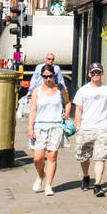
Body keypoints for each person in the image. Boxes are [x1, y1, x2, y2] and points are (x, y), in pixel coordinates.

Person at [27, 65, 71, 196]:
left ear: (54, 76)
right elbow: (33, 110)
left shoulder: (60, 89)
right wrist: (30, 128)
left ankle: (48, 186)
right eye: (45, 77)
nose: (47, 79)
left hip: (56, 126)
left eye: (50, 76)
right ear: (42, 77)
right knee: (37, 158)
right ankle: (41, 175)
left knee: (52, 156)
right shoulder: (37, 91)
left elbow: (68, 102)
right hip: (40, 126)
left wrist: (67, 112)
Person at [73, 63, 107, 197]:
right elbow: (78, 109)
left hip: (102, 128)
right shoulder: (83, 90)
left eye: (98, 72)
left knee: (100, 157)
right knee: (84, 157)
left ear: (102, 73)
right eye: (93, 72)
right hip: (85, 128)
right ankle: (86, 176)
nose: (96, 74)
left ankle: (98, 185)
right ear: (89, 74)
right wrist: (77, 127)